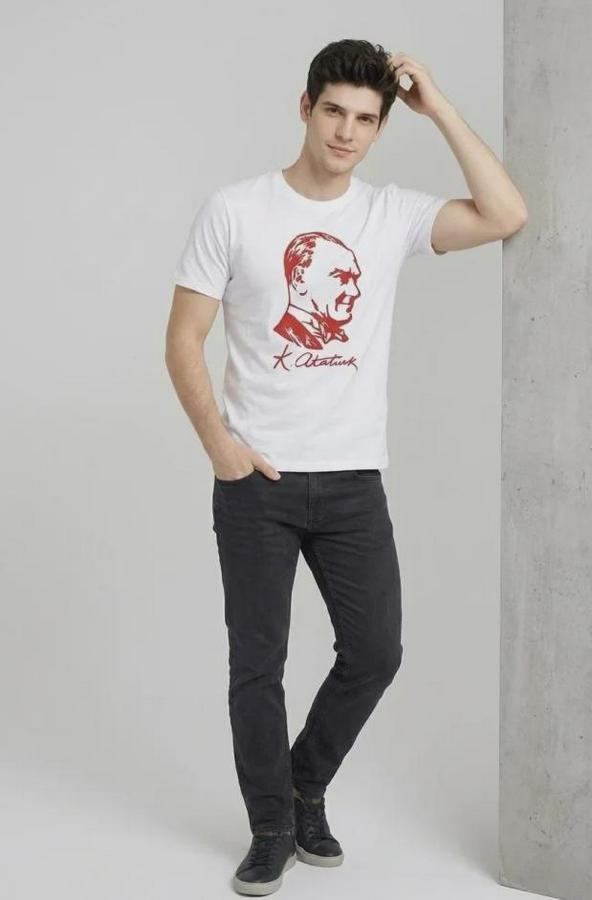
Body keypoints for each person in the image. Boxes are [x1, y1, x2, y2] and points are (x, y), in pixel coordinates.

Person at [165, 38, 528, 897]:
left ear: (380, 128)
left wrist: (438, 108)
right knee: (257, 665)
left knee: (375, 650)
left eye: (366, 119)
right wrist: (221, 447)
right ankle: (270, 829)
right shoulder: (236, 210)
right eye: (334, 111)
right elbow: (183, 339)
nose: (347, 132)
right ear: (306, 108)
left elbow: (506, 213)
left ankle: (303, 784)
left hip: (354, 481)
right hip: (256, 482)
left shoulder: (389, 215)